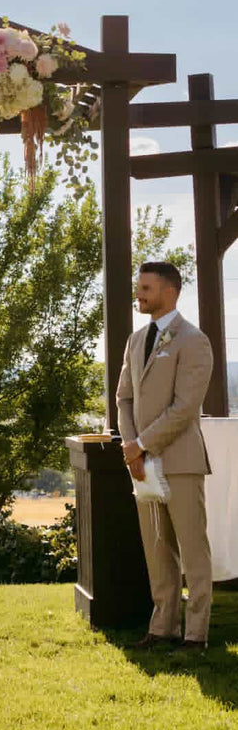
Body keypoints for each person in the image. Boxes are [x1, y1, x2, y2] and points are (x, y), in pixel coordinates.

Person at [116, 261, 214, 651]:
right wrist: (130, 449)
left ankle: (196, 634)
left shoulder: (194, 340)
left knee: (193, 551)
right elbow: (123, 398)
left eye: (146, 288)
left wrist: (142, 444)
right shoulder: (135, 340)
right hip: (141, 465)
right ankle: (162, 629)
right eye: (139, 288)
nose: (139, 295)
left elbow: (185, 407)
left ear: (170, 291)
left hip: (181, 462)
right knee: (157, 551)